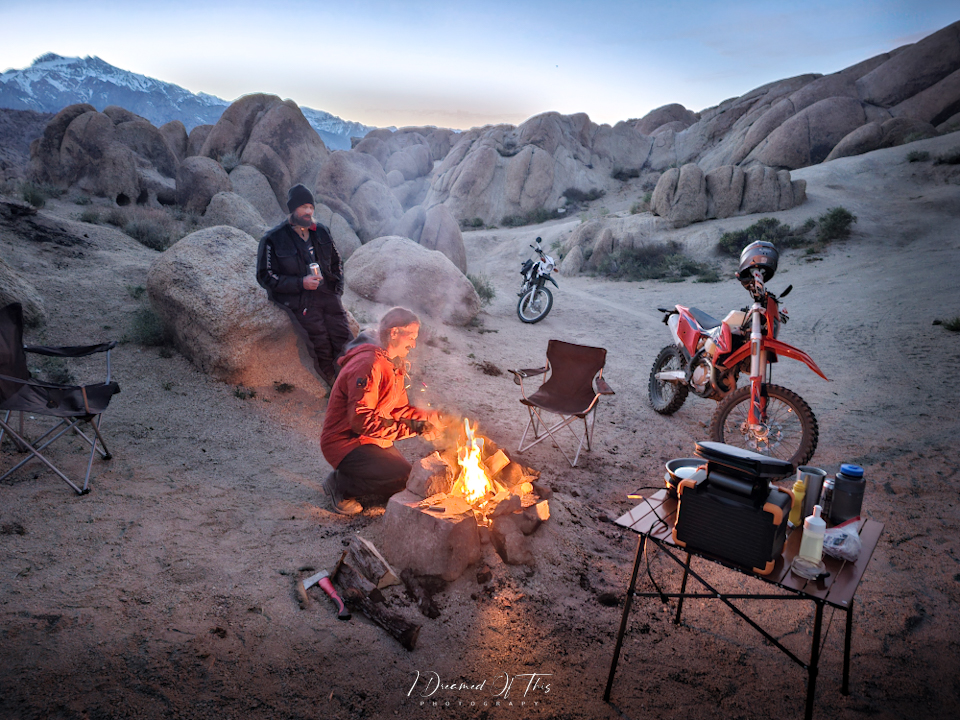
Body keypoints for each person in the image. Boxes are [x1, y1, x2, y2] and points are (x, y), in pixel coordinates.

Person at [320, 307, 445, 515]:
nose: (414, 344)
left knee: (408, 479)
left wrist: (431, 418)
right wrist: (415, 427)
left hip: (372, 440)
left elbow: (400, 409)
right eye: (411, 336)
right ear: (394, 332)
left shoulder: (393, 363)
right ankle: (341, 485)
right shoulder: (369, 364)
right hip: (346, 442)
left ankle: (362, 477)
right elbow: (361, 420)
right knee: (402, 476)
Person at [256, 184, 352, 386]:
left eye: (311, 207)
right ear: (293, 209)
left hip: (327, 293)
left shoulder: (322, 231)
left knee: (344, 337)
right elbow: (265, 276)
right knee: (320, 341)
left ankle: (352, 379)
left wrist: (337, 290)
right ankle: (333, 383)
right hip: (299, 298)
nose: (308, 211)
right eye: (303, 207)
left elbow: (337, 262)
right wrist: (301, 283)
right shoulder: (273, 238)